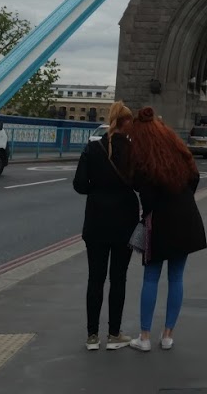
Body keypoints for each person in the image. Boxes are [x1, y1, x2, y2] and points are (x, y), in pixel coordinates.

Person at [125, 107, 207, 352]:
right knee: (176, 277)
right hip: (185, 218)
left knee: (151, 277)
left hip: (159, 222)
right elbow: (194, 177)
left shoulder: (144, 158)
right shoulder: (176, 147)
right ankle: (168, 335)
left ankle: (145, 337)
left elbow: (145, 194)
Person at [73, 101, 139, 352]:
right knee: (118, 279)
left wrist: (98, 191)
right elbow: (139, 183)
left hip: (97, 221)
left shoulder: (92, 148)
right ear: (125, 123)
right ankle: (114, 334)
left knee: (95, 279)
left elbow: (79, 185)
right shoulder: (132, 151)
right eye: (130, 121)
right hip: (125, 222)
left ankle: (92, 336)